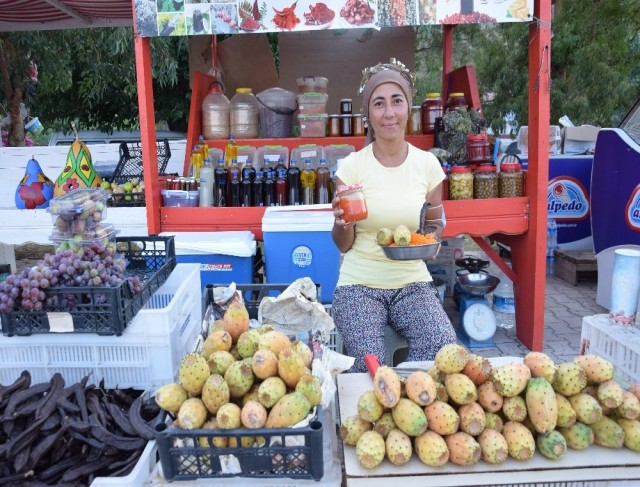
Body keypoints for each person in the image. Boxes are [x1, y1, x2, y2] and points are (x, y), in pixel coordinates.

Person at [331, 58, 457, 373]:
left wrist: (433, 240)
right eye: (379, 104)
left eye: (397, 101)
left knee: (443, 348)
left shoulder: (428, 165)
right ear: (369, 115)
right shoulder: (352, 167)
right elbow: (342, 245)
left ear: (408, 109)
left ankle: (407, 398)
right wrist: (341, 223)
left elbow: (434, 224)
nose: (389, 112)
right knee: (369, 362)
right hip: (358, 284)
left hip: (412, 282)